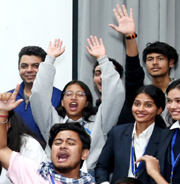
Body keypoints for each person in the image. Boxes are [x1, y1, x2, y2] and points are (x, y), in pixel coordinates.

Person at [31, 37, 124, 172]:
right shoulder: (52, 122)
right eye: (68, 94)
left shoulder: (99, 123)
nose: (73, 97)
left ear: (87, 102)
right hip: (54, 175)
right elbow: (39, 95)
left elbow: (115, 95)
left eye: (80, 94)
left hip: (89, 176)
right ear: (62, 102)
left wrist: (103, 59)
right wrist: (49, 59)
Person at [95, 85, 170, 184]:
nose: (140, 109)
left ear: (159, 110)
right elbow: (102, 167)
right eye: (137, 104)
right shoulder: (117, 133)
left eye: (148, 105)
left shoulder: (165, 137)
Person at [10, 45, 63, 141]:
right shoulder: (9, 97)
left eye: (35, 66)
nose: (29, 70)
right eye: (24, 66)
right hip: (14, 149)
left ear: (43, 69)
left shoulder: (59, 97)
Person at [106, 4, 147, 125]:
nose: (103, 77)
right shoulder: (91, 110)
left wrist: (130, 37)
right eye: (98, 73)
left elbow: (133, 72)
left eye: (110, 74)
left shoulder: (130, 102)